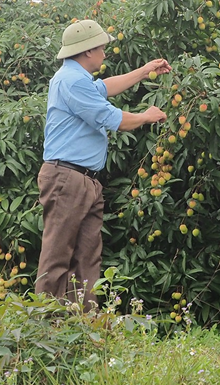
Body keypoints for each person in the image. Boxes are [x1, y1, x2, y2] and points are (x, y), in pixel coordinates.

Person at [36, 19, 169, 307]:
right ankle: (43, 328)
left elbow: (105, 88)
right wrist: (146, 116)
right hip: (66, 178)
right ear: (86, 52)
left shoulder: (78, 79)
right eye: (101, 48)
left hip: (84, 180)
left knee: (87, 257)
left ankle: (82, 324)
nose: (105, 54)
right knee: (57, 256)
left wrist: (145, 71)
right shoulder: (70, 80)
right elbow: (112, 118)